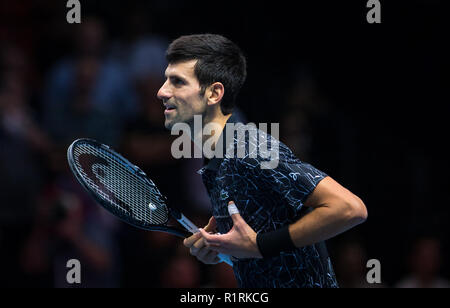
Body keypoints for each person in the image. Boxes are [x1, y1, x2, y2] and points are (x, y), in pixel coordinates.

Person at [156, 34, 368, 288]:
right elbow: (268, 251)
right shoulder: (216, 158)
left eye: (177, 82)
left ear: (214, 93)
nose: (162, 91)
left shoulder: (249, 149)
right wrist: (223, 249)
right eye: (166, 79)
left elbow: (349, 208)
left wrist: (259, 246)